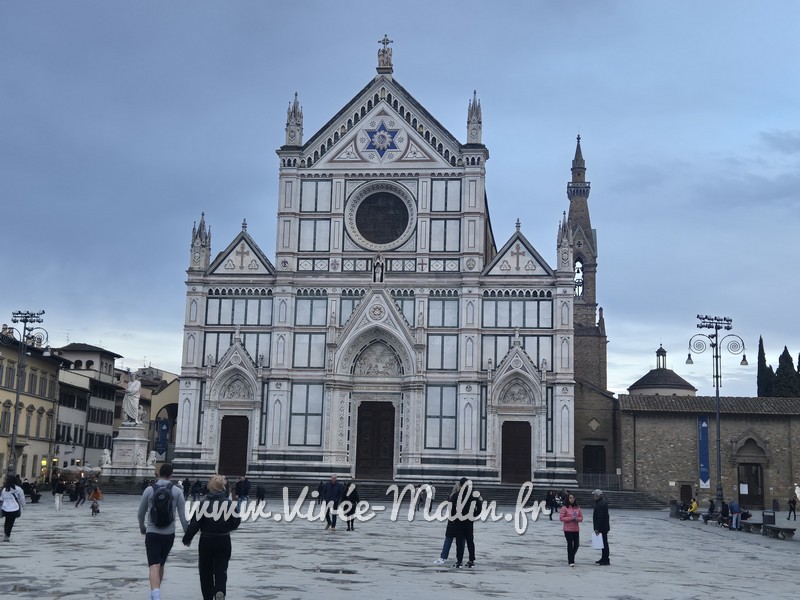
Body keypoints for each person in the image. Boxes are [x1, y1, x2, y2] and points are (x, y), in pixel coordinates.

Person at [183, 475, 241, 600]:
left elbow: (194, 524)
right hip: (223, 539)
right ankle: (220, 590)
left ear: (211, 487)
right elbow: (236, 522)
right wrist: (226, 528)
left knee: (205, 571)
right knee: (221, 569)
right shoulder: (229, 503)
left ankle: (208, 596)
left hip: (207, 540)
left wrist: (187, 539)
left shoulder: (203, 503)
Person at [138, 463, 189, 600]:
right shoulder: (177, 491)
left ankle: (155, 593)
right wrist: (187, 536)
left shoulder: (149, 490)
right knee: (161, 563)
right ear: (171, 474)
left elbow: (140, 513)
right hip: (168, 534)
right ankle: (156, 592)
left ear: (159, 473)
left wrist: (143, 528)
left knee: (154, 564)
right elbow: (183, 517)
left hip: (152, 532)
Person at [433, 479, 463, 566]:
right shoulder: (463, 496)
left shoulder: (451, 495)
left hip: (452, 521)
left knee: (448, 539)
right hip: (461, 521)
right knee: (461, 541)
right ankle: (459, 560)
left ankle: (442, 557)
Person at [454, 478, 482, 568]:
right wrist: (474, 515)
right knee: (470, 540)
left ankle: (459, 561)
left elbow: (451, 509)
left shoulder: (456, 495)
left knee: (459, 541)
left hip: (459, 521)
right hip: (469, 521)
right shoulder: (473, 495)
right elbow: (479, 507)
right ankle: (471, 560)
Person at [559, 493, 583, 566]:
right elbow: (561, 518)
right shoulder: (564, 508)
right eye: (570, 498)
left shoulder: (577, 507)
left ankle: (572, 555)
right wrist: (571, 518)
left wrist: (577, 519)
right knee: (570, 544)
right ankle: (571, 560)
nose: (572, 499)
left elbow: (581, 518)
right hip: (568, 529)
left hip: (575, 529)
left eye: (573, 498)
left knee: (576, 545)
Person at [1, 475, 26, 542]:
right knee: (11, 522)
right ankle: (7, 535)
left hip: (5, 507)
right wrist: (23, 506)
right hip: (14, 508)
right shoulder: (18, 489)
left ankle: (6, 533)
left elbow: (1, 498)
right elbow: (22, 499)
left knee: (6, 521)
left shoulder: (4, 489)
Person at [592, 489, 610, 566]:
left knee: (604, 543)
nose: (593, 497)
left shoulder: (600, 505)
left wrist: (597, 528)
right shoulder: (602, 503)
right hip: (604, 527)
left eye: (594, 495)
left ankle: (605, 559)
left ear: (597, 496)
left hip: (602, 528)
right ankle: (604, 558)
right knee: (604, 543)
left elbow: (600, 518)